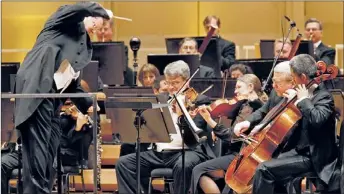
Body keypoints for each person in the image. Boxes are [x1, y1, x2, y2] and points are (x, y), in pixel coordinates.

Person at [13, 2, 109, 193]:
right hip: (37, 95)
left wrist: (89, 105)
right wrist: (101, 10)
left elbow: (71, 82)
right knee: (36, 162)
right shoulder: (60, 23)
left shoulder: (77, 46)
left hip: (52, 102)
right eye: (94, 21)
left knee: (49, 162)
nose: (97, 27)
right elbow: (73, 8)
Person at [234, 54, 338, 194]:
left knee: (264, 169)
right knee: (266, 165)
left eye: (293, 77)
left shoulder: (323, 96)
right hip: (296, 150)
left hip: (314, 156)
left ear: (303, 77)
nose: (293, 81)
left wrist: (302, 101)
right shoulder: (298, 94)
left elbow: (317, 119)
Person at [116, 60, 213, 194]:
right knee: (124, 163)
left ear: (187, 82)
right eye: (168, 83)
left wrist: (181, 116)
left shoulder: (199, 101)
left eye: (176, 83)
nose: (171, 87)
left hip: (187, 152)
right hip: (159, 153)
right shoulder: (163, 100)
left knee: (183, 165)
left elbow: (193, 139)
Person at [190, 74, 267, 194]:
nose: (235, 91)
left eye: (239, 87)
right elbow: (230, 123)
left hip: (241, 155)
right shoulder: (248, 105)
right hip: (240, 153)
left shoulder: (250, 108)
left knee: (198, 170)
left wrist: (210, 121)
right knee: (201, 170)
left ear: (251, 87)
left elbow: (231, 136)